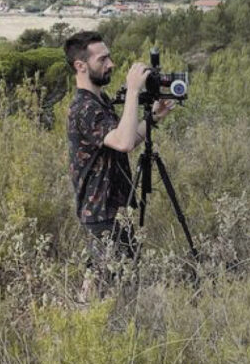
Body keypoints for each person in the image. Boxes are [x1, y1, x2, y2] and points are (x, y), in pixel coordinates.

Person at [65, 31, 174, 294]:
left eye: (109, 57)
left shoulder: (99, 101)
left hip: (112, 208)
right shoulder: (84, 108)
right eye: (102, 59)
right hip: (100, 210)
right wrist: (134, 91)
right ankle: (83, 327)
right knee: (103, 289)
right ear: (81, 66)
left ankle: (87, 323)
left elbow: (123, 140)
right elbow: (124, 143)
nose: (110, 64)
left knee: (105, 283)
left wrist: (153, 119)